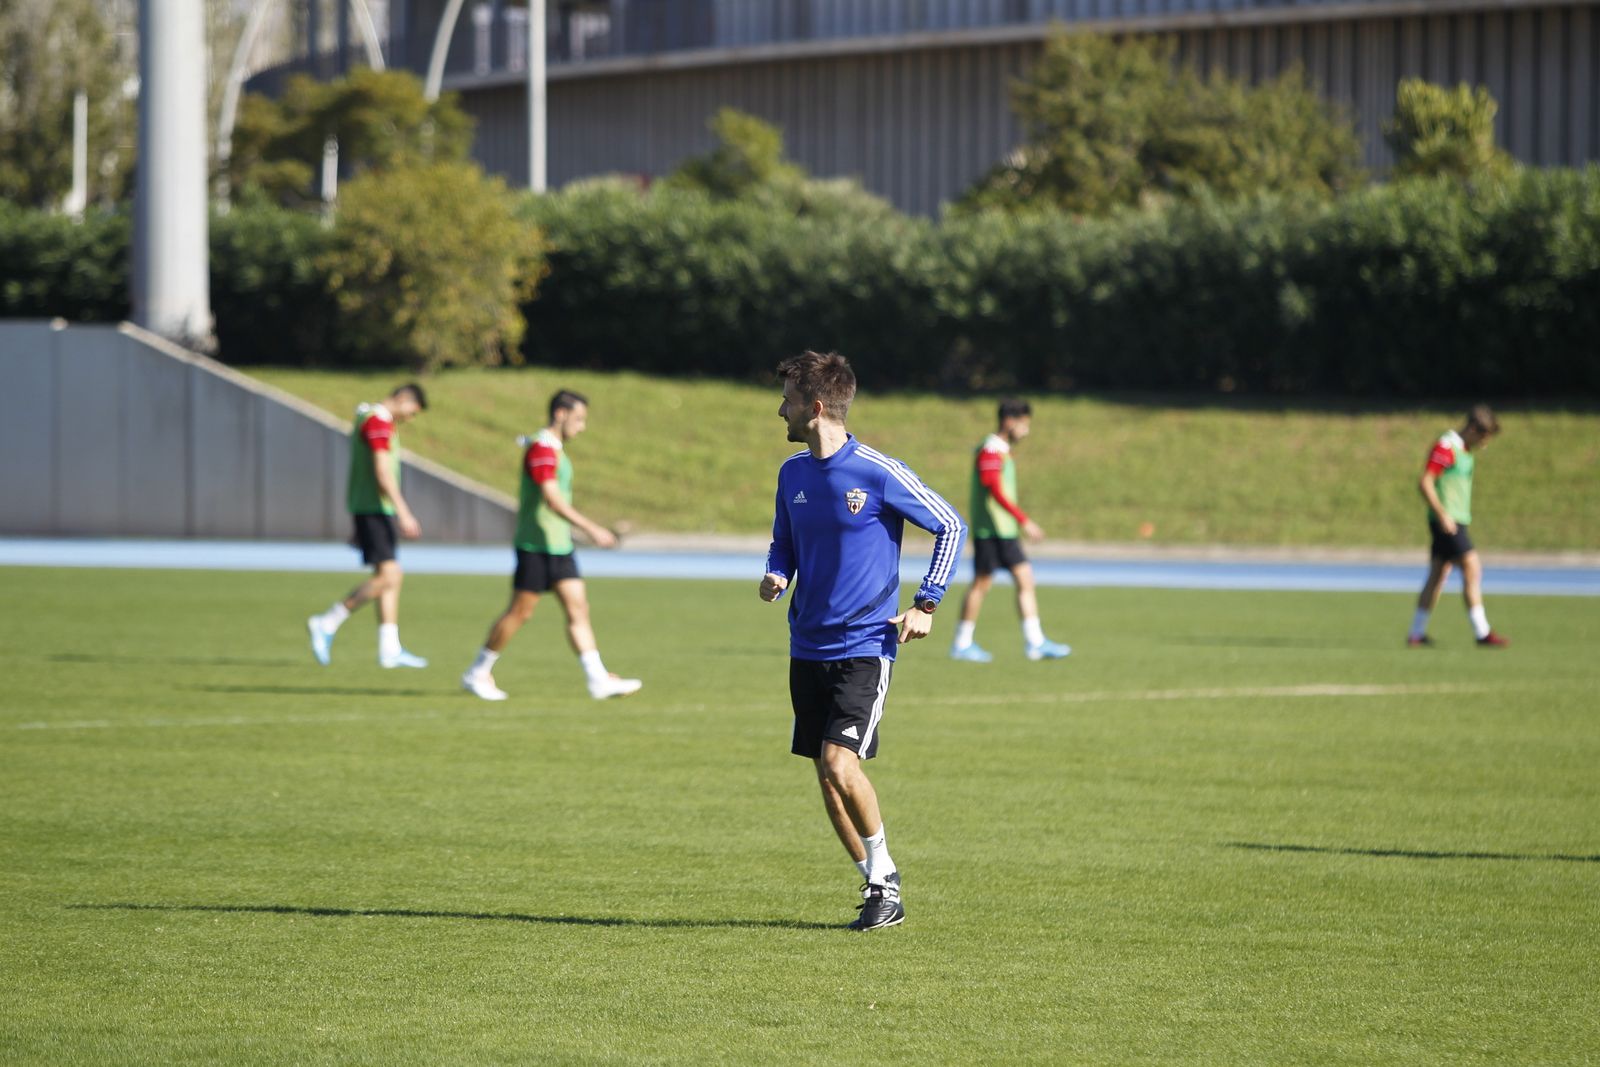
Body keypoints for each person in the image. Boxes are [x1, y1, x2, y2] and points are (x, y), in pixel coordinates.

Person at [760, 351, 966, 932]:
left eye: (789, 400)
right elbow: (783, 542)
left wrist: (926, 603)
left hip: (864, 644)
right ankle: (879, 883)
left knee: (838, 760)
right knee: (827, 774)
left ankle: (885, 878)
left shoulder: (878, 471)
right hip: (807, 645)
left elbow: (950, 524)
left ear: (816, 407)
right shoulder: (792, 474)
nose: (780, 411)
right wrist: (778, 572)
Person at [460, 389, 642, 701]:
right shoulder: (541, 448)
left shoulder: (553, 449)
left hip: (558, 545)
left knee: (578, 608)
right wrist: (591, 528)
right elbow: (552, 498)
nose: (582, 427)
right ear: (560, 414)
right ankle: (478, 671)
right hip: (536, 544)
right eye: (579, 419)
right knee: (520, 612)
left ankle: (597, 678)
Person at [307, 383, 430, 669]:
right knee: (389, 577)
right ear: (403, 399)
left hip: (370, 508)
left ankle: (390, 648)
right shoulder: (377, 421)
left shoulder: (368, 416)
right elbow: (381, 471)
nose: (410, 419)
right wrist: (404, 512)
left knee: (391, 576)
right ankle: (327, 622)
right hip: (375, 508)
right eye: (412, 412)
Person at [948, 398, 1071, 663]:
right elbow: (993, 488)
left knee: (1024, 580)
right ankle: (962, 642)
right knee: (982, 584)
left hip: (1003, 531)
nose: (1026, 431)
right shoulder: (991, 450)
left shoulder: (1000, 450)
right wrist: (1024, 520)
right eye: (1024, 425)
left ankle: (1035, 642)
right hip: (991, 531)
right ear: (1009, 422)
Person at [1408, 405, 1508, 647]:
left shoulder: (1464, 450)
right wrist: (1442, 514)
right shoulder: (1446, 447)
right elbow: (1425, 482)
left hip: (1456, 520)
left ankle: (1415, 634)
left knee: (1438, 575)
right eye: (1483, 437)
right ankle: (1482, 632)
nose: (1484, 444)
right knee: (1472, 568)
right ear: (1472, 428)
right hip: (1448, 522)